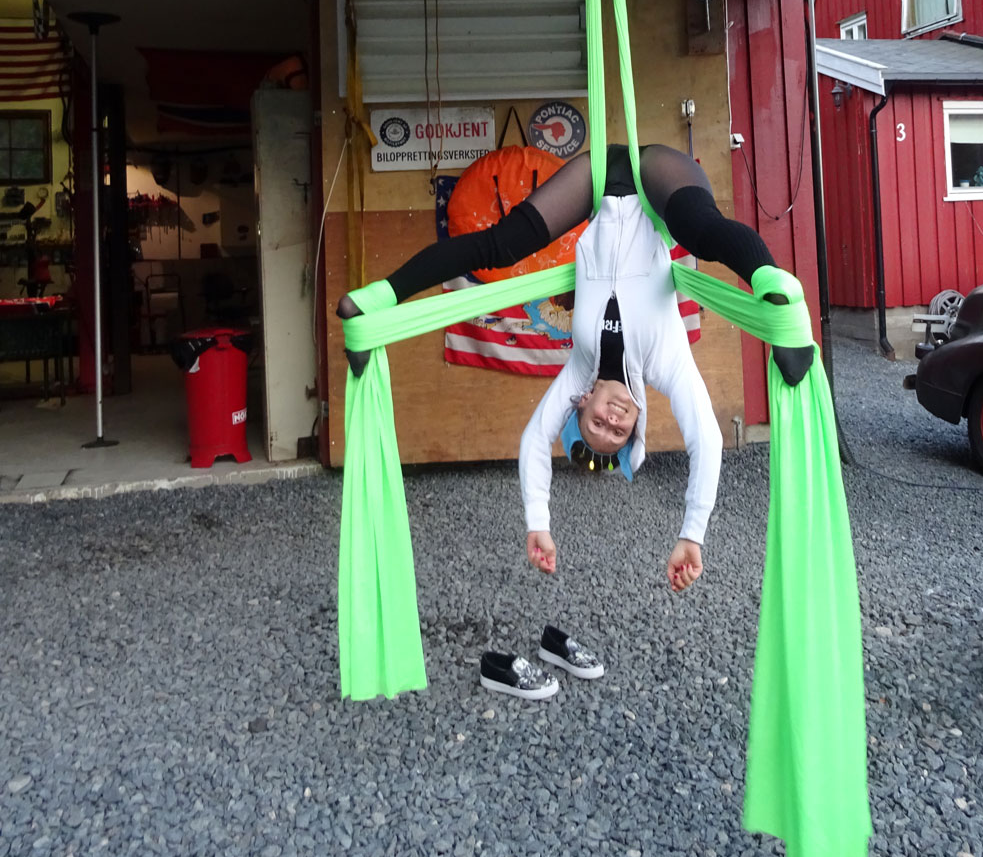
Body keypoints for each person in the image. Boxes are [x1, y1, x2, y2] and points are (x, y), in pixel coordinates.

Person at [337, 143, 812, 698]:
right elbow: (705, 437)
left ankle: (375, 298)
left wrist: (537, 522)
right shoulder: (666, 361)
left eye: (596, 426)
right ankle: (776, 291)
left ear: (581, 403)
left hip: (596, 178)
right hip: (658, 174)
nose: (609, 422)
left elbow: (535, 439)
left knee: (501, 246)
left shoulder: (580, 371)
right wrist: (692, 535)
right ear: (637, 421)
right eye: (618, 431)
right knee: (700, 231)